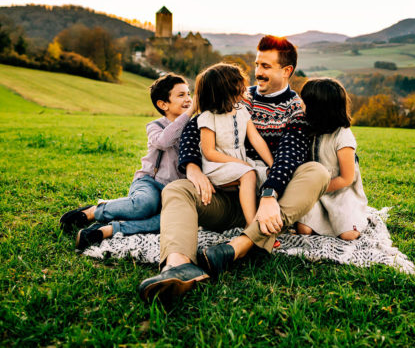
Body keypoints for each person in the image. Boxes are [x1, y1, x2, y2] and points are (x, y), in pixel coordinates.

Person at [138, 36, 330, 303]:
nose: (258, 72)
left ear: (287, 71)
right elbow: (194, 129)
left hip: (269, 202)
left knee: (317, 172)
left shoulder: (295, 109)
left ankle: (240, 245)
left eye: (266, 66)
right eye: (257, 64)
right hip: (225, 198)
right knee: (177, 189)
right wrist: (192, 168)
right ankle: (178, 266)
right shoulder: (237, 94)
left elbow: (289, 156)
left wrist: (269, 195)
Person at [59, 73, 193, 250]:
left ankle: (109, 230)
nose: (189, 99)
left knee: (169, 220)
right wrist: (190, 113)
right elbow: (164, 141)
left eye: (189, 94)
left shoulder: (194, 126)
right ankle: (95, 211)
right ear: (163, 104)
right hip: (150, 183)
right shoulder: (155, 126)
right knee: (145, 205)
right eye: (181, 95)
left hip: (175, 191)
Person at [195, 63, 274, 226]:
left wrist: (273, 164)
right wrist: (241, 164)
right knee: (249, 174)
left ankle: (270, 218)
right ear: (227, 90)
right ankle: (252, 225)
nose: (245, 86)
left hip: (241, 163)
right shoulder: (208, 117)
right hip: (217, 166)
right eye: (240, 83)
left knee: (268, 175)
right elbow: (209, 152)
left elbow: (256, 139)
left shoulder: (242, 111)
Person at [295, 78, 368, 240]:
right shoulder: (310, 129)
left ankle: (352, 217)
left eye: (305, 102)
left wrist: (318, 189)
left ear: (319, 109)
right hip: (315, 192)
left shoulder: (343, 136)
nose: (300, 105)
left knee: (348, 235)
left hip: (341, 192)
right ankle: (321, 220)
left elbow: (347, 178)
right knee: (303, 230)